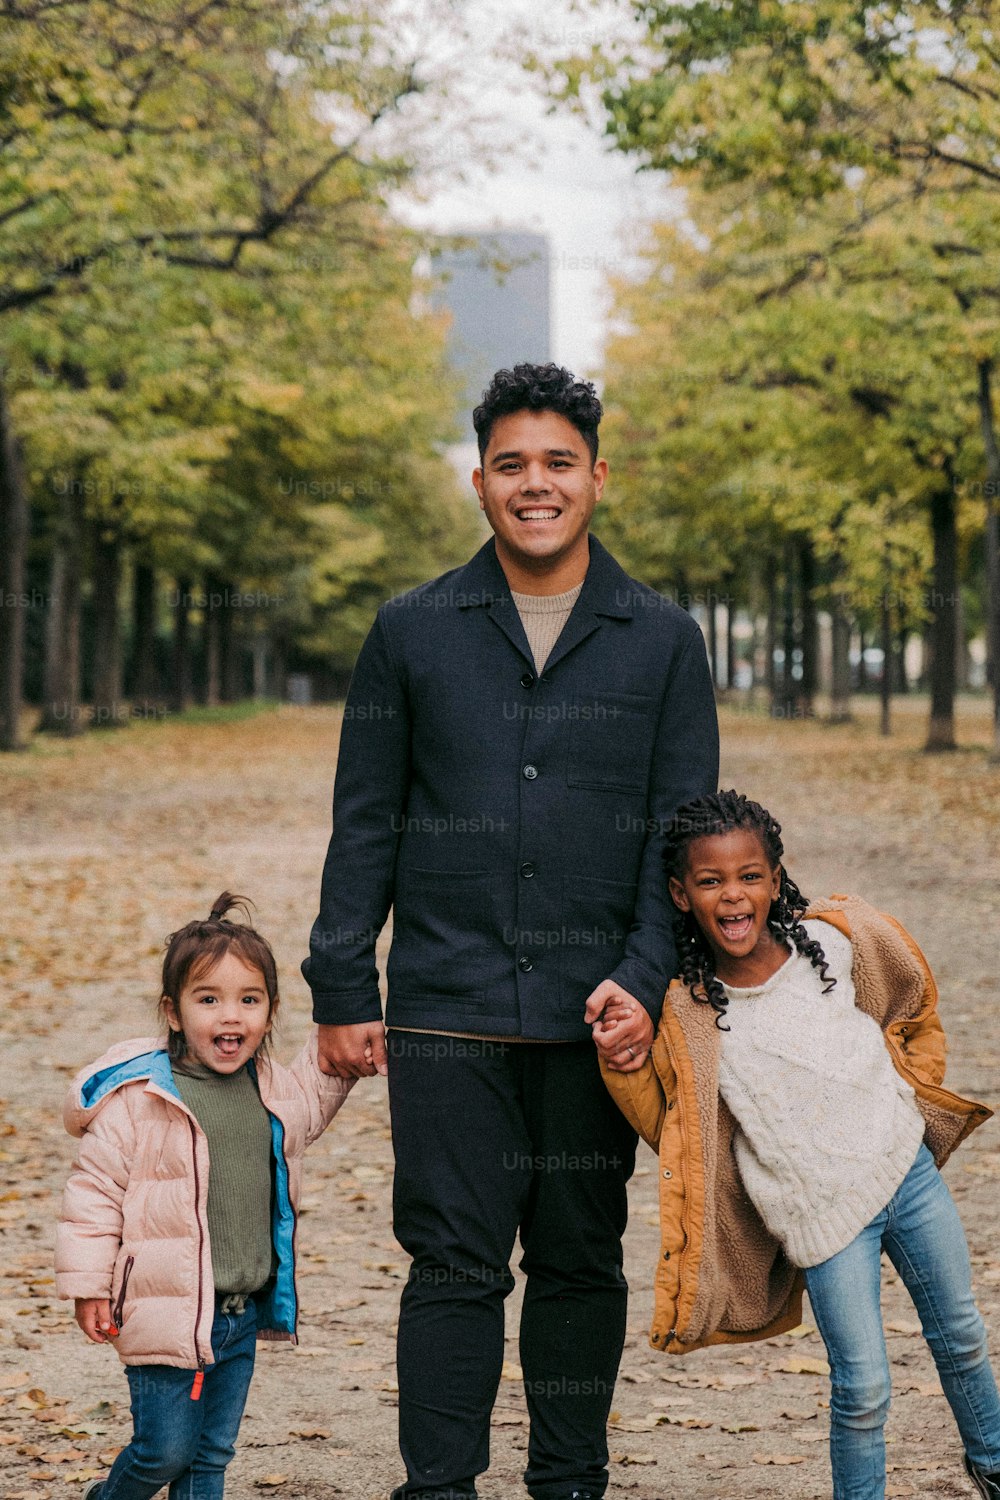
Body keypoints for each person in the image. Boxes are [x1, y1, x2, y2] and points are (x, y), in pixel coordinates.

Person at [302, 362, 719, 1500]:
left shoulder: (664, 640)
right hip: (446, 1009)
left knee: (582, 1265)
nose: (536, 484)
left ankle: (567, 1485)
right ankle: (437, 1488)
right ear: (478, 479)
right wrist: (341, 987)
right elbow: (366, 822)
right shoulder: (410, 631)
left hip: (604, 1019)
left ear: (597, 476)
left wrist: (645, 976)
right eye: (511, 464)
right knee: (452, 1264)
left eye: (558, 463)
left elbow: (681, 839)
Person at [600, 789, 1000, 1500]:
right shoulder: (687, 1012)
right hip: (819, 1221)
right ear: (680, 893)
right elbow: (668, 1120)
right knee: (863, 1386)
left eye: (750, 876)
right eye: (711, 880)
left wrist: (908, 1094)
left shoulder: (836, 946)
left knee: (962, 1335)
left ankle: (993, 1461)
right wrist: (619, 1058)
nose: (733, 895)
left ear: (775, 881)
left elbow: (906, 1002)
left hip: (902, 1172)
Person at [56, 893, 354, 1500]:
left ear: (270, 1014)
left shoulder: (270, 1090)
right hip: (163, 1308)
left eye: (250, 1000)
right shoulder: (140, 1099)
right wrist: (88, 1285)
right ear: (173, 1011)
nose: (231, 1017)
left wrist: (347, 1051)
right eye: (208, 999)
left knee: (210, 1456)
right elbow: (94, 1193)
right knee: (163, 1451)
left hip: (239, 1312)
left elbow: (315, 1095)